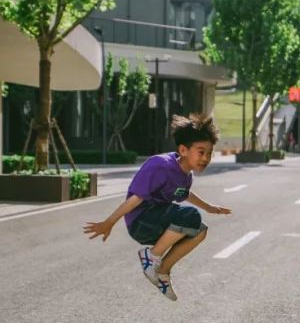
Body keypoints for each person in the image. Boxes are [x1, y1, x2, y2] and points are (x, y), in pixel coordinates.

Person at [83, 114, 231, 301]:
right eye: (201, 152)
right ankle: (151, 256)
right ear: (183, 150)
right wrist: (109, 222)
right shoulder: (160, 165)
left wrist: (210, 207)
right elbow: (136, 199)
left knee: (200, 231)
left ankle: (162, 272)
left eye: (209, 153)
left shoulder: (186, 176)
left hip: (157, 222)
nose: (206, 158)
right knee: (191, 216)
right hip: (141, 221)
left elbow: (184, 194)